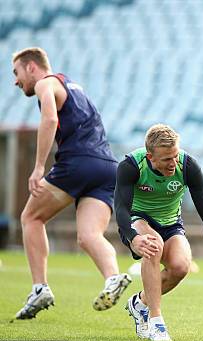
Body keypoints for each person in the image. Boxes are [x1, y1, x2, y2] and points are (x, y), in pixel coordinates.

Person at [12, 47, 131, 319]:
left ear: (32, 67)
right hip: (107, 167)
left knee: (31, 217)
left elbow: (50, 119)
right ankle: (113, 278)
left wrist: (39, 166)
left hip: (78, 163)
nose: (15, 81)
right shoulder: (75, 87)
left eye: (16, 72)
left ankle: (40, 288)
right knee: (89, 236)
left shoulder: (45, 83)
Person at [115, 124, 203, 341]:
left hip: (171, 224)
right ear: (151, 156)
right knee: (154, 244)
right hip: (137, 221)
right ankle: (156, 322)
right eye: (166, 159)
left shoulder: (188, 166)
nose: (173, 163)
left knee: (180, 267)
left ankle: (140, 303)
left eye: (175, 156)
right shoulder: (131, 166)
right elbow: (121, 208)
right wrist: (134, 238)